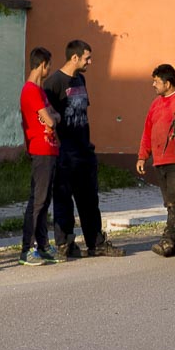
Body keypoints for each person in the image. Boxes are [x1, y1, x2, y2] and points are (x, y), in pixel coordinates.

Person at [43, 39, 124, 259]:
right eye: (87, 57)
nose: (91, 61)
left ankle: (95, 243)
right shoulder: (53, 83)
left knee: (89, 200)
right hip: (63, 152)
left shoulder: (81, 79)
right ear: (74, 57)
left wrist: (87, 146)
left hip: (84, 150)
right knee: (63, 200)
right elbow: (47, 118)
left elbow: (83, 113)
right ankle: (65, 244)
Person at [137, 64, 175, 257]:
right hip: (160, 161)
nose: (153, 85)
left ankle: (168, 241)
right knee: (170, 202)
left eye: (156, 81)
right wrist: (142, 156)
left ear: (167, 83)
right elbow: (147, 130)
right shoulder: (155, 104)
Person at [19, 47, 61, 265]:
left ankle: (43, 246)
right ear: (43, 64)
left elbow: (55, 115)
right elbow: (52, 120)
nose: (50, 68)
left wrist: (51, 116)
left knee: (44, 201)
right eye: (49, 64)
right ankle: (28, 249)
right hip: (41, 150)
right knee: (37, 200)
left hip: (50, 149)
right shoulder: (31, 91)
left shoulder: (40, 90)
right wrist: (51, 117)